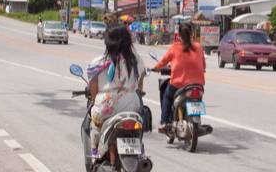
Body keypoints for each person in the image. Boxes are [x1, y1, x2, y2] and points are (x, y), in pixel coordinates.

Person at [85, 27, 147, 157]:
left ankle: (95, 149)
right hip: (132, 105)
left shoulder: (97, 63)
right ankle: (139, 147)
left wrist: (97, 100)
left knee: (93, 123)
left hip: (106, 105)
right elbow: (140, 84)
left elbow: (94, 90)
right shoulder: (136, 61)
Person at [151, 23, 206, 132]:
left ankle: (164, 122)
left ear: (179, 35)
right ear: (192, 34)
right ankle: (197, 120)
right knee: (197, 100)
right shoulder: (199, 47)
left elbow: (163, 61)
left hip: (178, 84)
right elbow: (203, 65)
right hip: (198, 84)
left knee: (167, 96)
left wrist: (155, 68)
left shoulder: (175, 47)